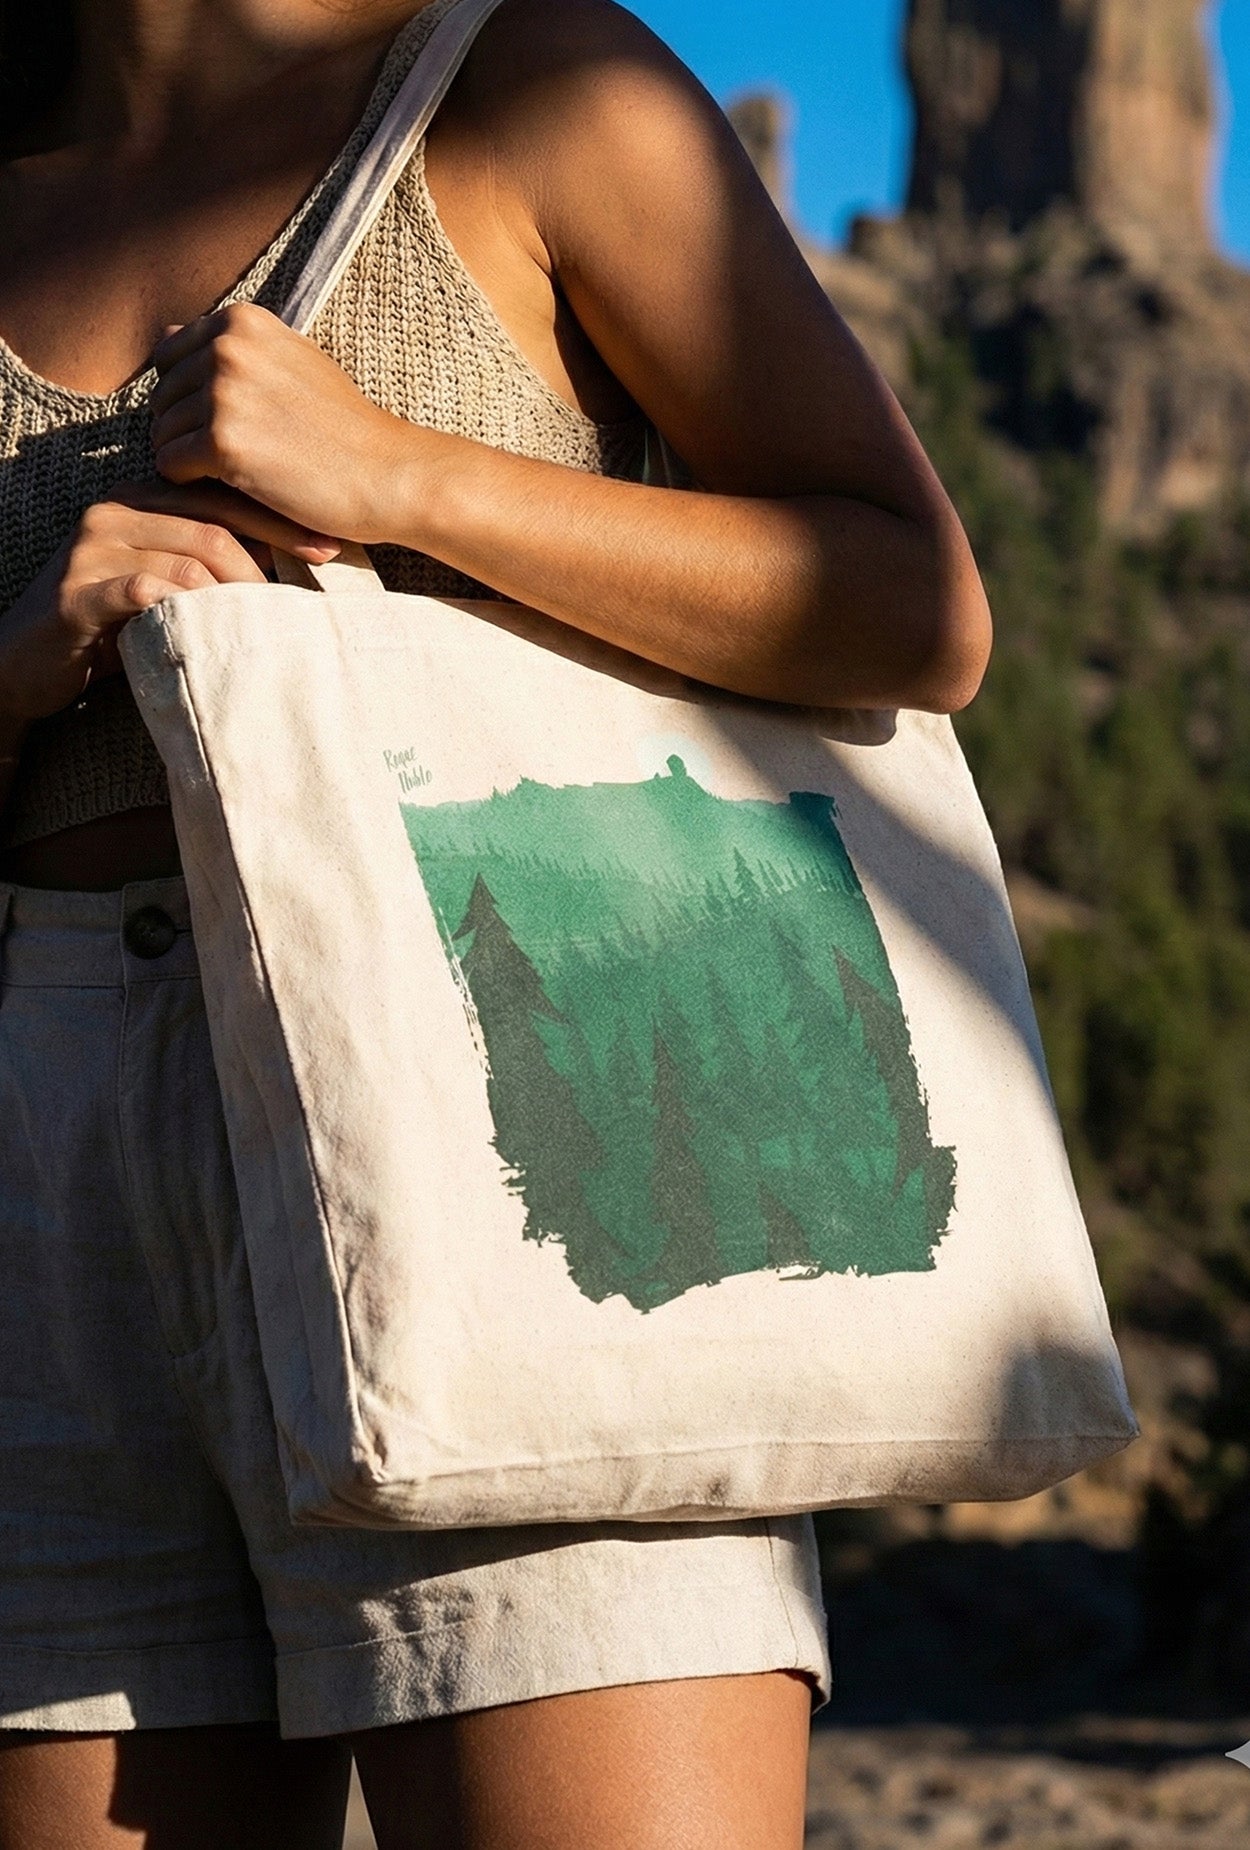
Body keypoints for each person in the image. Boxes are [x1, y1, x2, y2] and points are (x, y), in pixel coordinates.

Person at [0, 1, 993, 1844]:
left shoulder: (535, 77)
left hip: (524, 1064)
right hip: (44, 1165)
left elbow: (911, 604)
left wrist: (404, 480)